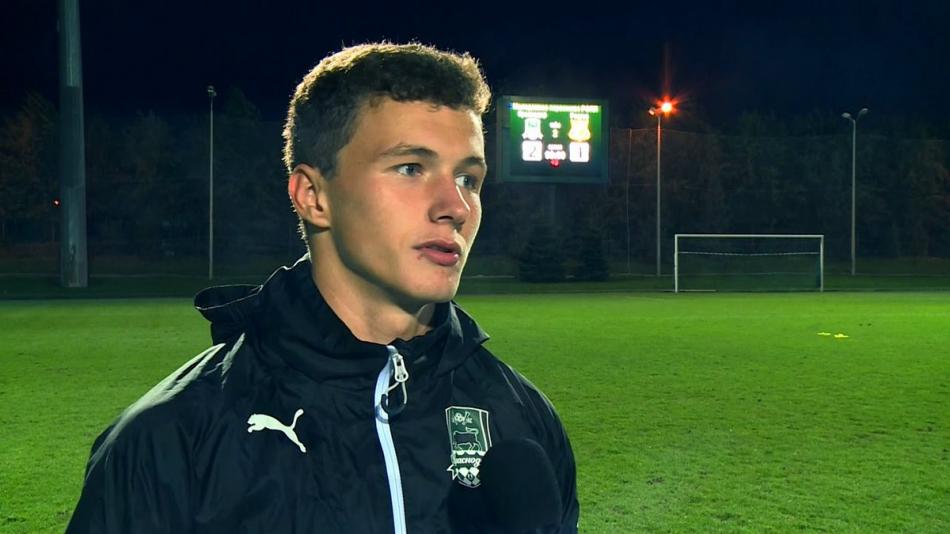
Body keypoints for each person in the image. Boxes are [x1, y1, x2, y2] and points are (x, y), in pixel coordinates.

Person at [66, 42, 579, 533]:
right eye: (411, 168)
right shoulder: (169, 440)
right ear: (313, 196)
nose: (456, 207)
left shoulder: (522, 417)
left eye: (468, 178)